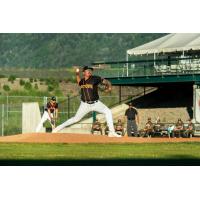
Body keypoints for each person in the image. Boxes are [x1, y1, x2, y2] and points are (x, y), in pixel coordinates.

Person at [53, 66, 121, 137]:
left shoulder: (95, 78)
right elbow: (79, 82)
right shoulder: (82, 81)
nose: (89, 71)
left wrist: (109, 87)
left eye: (90, 70)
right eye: (87, 70)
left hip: (96, 103)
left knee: (108, 112)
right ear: (83, 73)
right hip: (85, 105)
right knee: (76, 119)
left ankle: (111, 132)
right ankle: (57, 128)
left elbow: (106, 81)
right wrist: (77, 74)